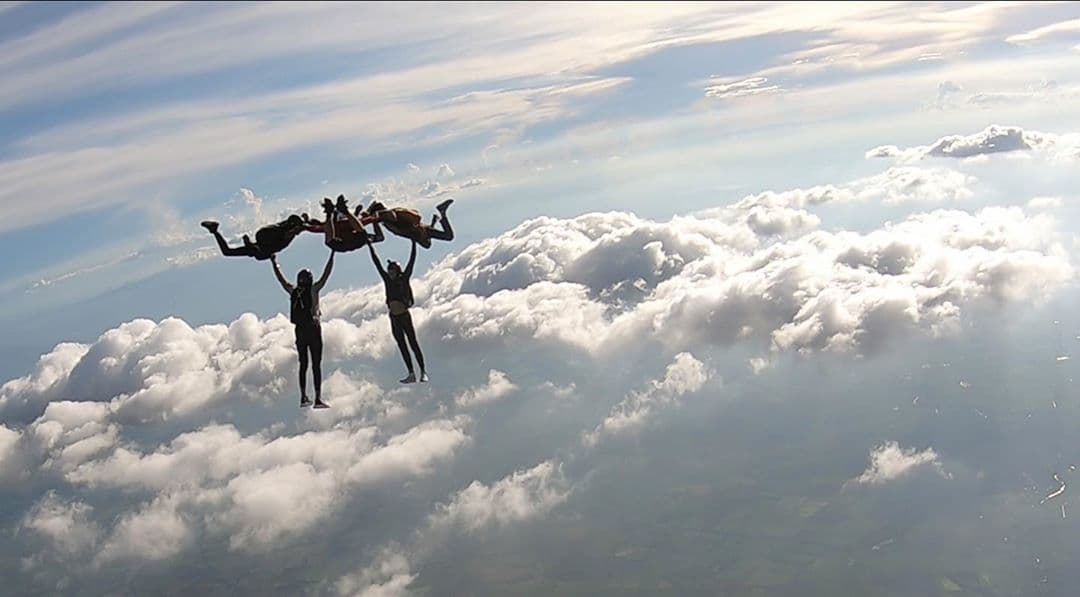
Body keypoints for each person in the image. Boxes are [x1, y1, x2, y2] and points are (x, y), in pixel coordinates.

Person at [271, 250, 335, 408]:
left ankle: (303, 396)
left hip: (299, 331)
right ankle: (318, 398)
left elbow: (281, 280)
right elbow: (326, 274)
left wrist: (274, 262)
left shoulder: (293, 291)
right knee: (316, 364)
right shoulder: (314, 290)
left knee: (303, 364)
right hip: (313, 328)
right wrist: (332, 253)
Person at [368, 239, 427, 383]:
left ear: (397, 271)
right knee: (402, 346)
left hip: (404, 316)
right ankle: (411, 373)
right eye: (389, 271)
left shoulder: (404, 278)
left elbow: (412, 261)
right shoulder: (387, 280)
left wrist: (414, 243)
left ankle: (423, 371)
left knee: (413, 343)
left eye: (392, 271)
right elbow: (377, 263)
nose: (390, 273)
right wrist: (370, 246)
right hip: (394, 318)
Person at [201, 215, 315, 260]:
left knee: (227, 252)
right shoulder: (285, 233)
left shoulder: (284, 231)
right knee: (255, 252)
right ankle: (214, 231)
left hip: (263, 243)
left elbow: (304, 226)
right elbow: (298, 229)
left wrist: (306, 221)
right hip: (263, 244)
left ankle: (214, 230)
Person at [305, 195, 385, 252]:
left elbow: (316, 227)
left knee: (330, 241)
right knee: (362, 235)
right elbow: (316, 226)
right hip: (349, 239)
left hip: (347, 240)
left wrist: (306, 224)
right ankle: (340, 211)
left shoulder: (330, 226)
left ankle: (334, 212)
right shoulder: (333, 225)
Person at [364, 199, 454, 249]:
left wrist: (375, 217)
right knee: (431, 242)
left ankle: (442, 212)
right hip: (420, 231)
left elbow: (392, 216)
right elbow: (381, 237)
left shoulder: (387, 219)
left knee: (448, 236)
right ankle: (442, 212)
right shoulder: (387, 222)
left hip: (419, 231)